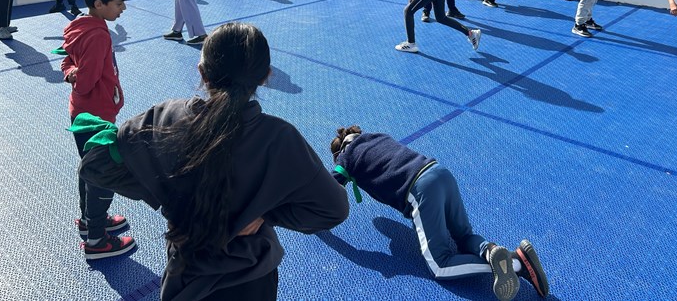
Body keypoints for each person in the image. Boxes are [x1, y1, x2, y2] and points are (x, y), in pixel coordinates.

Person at [79, 22, 349, 300]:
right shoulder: (280, 139)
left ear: (202, 73)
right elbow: (334, 209)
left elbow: (94, 166)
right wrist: (265, 214)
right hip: (253, 279)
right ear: (266, 77)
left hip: (185, 274)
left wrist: (160, 191)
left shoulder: (165, 118)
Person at [330, 126, 549, 301]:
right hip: (439, 172)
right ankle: (489, 250)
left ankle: (515, 263)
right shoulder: (376, 136)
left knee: (440, 265)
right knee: (464, 237)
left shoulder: (346, 158)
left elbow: (328, 187)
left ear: (339, 151)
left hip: (419, 189)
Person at [61, 0, 134, 260]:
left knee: (89, 168)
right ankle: (96, 241)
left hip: (84, 113)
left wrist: (70, 73)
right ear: (100, 5)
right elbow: (88, 80)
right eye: (118, 3)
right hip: (95, 116)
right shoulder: (98, 36)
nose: (123, 8)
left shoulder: (80, 25)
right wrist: (77, 77)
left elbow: (67, 59)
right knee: (104, 173)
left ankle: (90, 221)